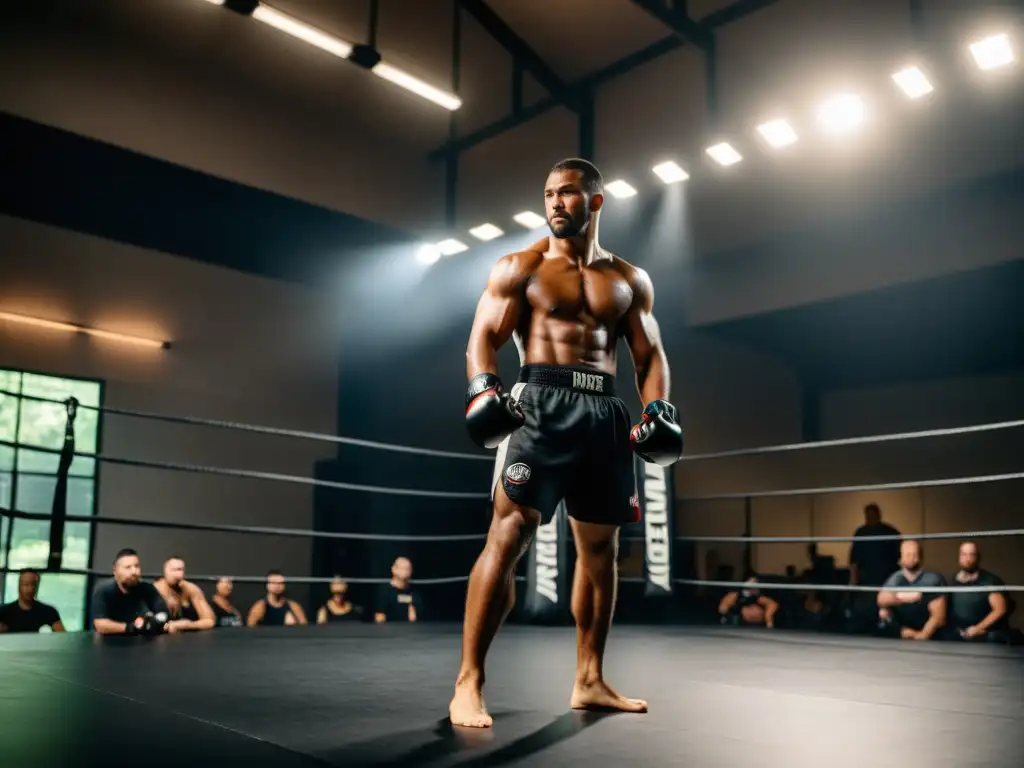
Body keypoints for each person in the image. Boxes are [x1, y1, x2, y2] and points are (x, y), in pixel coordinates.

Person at [450, 157, 684, 728]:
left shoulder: (629, 279)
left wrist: (658, 408)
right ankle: (469, 681)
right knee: (508, 538)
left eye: (569, 193)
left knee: (601, 552)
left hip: (603, 411)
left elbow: (649, 357)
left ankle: (589, 679)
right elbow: (483, 337)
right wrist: (485, 389)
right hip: (539, 405)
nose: (556, 202)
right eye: (550, 193)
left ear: (596, 202)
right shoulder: (520, 266)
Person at [91, 549, 173, 636]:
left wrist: (155, 621)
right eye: (128, 567)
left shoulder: (147, 588)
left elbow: (163, 613)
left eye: (137, 566)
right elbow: (100, 625)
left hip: (141, 644)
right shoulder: (104, 590)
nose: (134, 572)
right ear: (115, 570)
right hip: (109, 644)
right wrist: (132, 627)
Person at [876, 539, 946, 641]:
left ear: (920, 557)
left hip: (927, 632)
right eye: (907, 554)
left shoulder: (932, 579)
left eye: (914, 554)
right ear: (901, 558)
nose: (911, 558)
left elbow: (939, 616)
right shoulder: (896, 578)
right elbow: (881, 600)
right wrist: (908, 597)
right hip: (903, 630)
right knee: (883, 612)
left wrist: (923, 634)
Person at [947, 541, 1012, 643]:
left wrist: (978, 628)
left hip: (985, 636)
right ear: (959, 557)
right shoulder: (954, 580)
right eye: (964, 554)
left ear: (978, 557)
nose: (968, 559)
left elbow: (1000, 609)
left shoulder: (990, 581)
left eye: (971, 555)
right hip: (960, 637)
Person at [154, 556, 216, 632]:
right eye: (173, 570)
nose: (177, 574)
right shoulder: (155, 589)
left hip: (189, 639)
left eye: (180, 569)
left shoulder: (191, 588)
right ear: (165, 570)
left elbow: (209, 621)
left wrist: (186, 625)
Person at [0, 569, 65, 633]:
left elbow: (63, 638)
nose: (30, 589)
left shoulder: (49, 612)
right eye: (26, 584)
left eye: (34, 585)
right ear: (19, 586)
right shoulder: (3, 612)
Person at [375, 557, 421, 623]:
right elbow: (379, 615)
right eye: (402, 568)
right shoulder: (384, 591)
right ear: (394, 569)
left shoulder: (414, 592)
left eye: (408, 569)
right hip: (391, 630)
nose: (405, 572)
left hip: (411, 630)